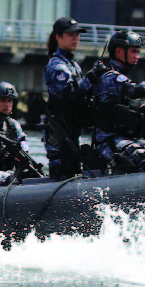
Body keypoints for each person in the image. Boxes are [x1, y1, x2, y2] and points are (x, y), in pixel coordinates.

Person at [90, 30, 145, 174]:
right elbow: (135, 90)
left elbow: (130, 109)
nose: (137, 56)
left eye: (137, 52)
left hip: (126, 139)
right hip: (108, 142)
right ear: (119, 52)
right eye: (133, 51)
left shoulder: (121, 78)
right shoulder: (109, 77)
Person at [42, 17, 92, 180]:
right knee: (61, 173)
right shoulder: (57, 64)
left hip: (72, 130)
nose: (76, 38)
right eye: (71, 35)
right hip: (59, 131)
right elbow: (70, 92)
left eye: (78, 35)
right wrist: (92, 77)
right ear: (58, 37)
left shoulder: (73, 65)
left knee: (75, 169)